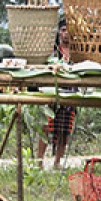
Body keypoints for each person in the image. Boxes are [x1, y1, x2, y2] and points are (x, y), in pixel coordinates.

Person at [36, 18, 76, 169]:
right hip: (52, 92)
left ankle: (57, 162)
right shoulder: (53, 51)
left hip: (71, 94)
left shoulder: (77, 53)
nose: (65, 34)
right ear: (59, 33)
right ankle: (39, 161)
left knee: (64, 130)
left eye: (68, 30)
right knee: (47, 127)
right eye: (63, 30)